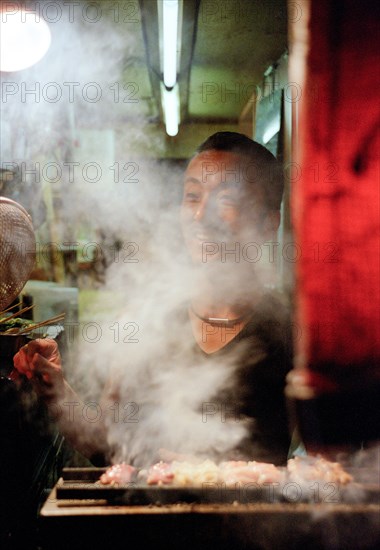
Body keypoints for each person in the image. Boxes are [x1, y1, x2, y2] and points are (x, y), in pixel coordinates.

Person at [13, 132, 294, 467]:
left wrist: (207, 472)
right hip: (146, 519)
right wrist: (56, 389)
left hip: (252, 520)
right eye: (192, 196)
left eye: (227, 201)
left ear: (268, 224)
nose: (202, 216)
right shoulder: (147, 318)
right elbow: (106, 444)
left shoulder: (290, 333)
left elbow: (324, 465)